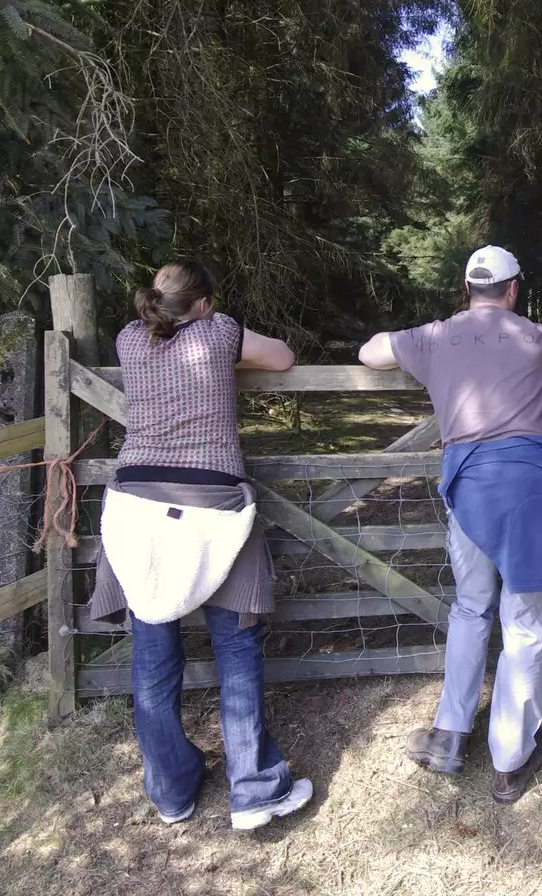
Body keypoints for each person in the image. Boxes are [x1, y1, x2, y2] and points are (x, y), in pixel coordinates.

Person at [358, 245, 542, 803]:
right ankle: (510, 759)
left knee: (470, 606)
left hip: (468, 489)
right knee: (525, 619)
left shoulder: (434, 336)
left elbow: (370, 353)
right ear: (513, 290)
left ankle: (449, 734)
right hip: (530, 488)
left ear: (468, 288)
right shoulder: (536, 336)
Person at [91, 260, 313, 830]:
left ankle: (171, 790)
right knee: (236, 647)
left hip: (135, 503)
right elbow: (283, 357)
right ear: (206, 302)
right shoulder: (219, 333)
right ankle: (253, 789)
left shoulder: (126, 339)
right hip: (214, 502)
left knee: (152, 651)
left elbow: (163, 354)